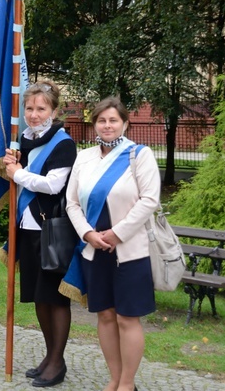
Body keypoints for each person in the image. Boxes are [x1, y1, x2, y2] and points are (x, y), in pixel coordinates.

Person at [65, 96, 160, 391]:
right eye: (102, 120)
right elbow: (71, 204)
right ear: (94, 124)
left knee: (127, 319)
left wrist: (116, 234)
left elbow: (149, 200)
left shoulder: (139, 155)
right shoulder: (84, 157)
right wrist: (88, 234)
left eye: (113, 120)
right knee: (105, 316)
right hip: (95, 250)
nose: (107, 126)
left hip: (130, 251)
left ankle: (128, 384)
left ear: (125, 123)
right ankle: (114, 378)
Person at [3, 81, 77, 387]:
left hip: (52, 230)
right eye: (30, 108)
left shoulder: (63, 144)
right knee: (38, 298)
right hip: (27, 227)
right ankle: (48, 356)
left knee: (56, 299)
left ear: (54, 111)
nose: (34, 114)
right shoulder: (22, 139)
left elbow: (53, 184)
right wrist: (12, 164)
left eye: (41, 108)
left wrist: (17, 173)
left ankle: (57, 362)